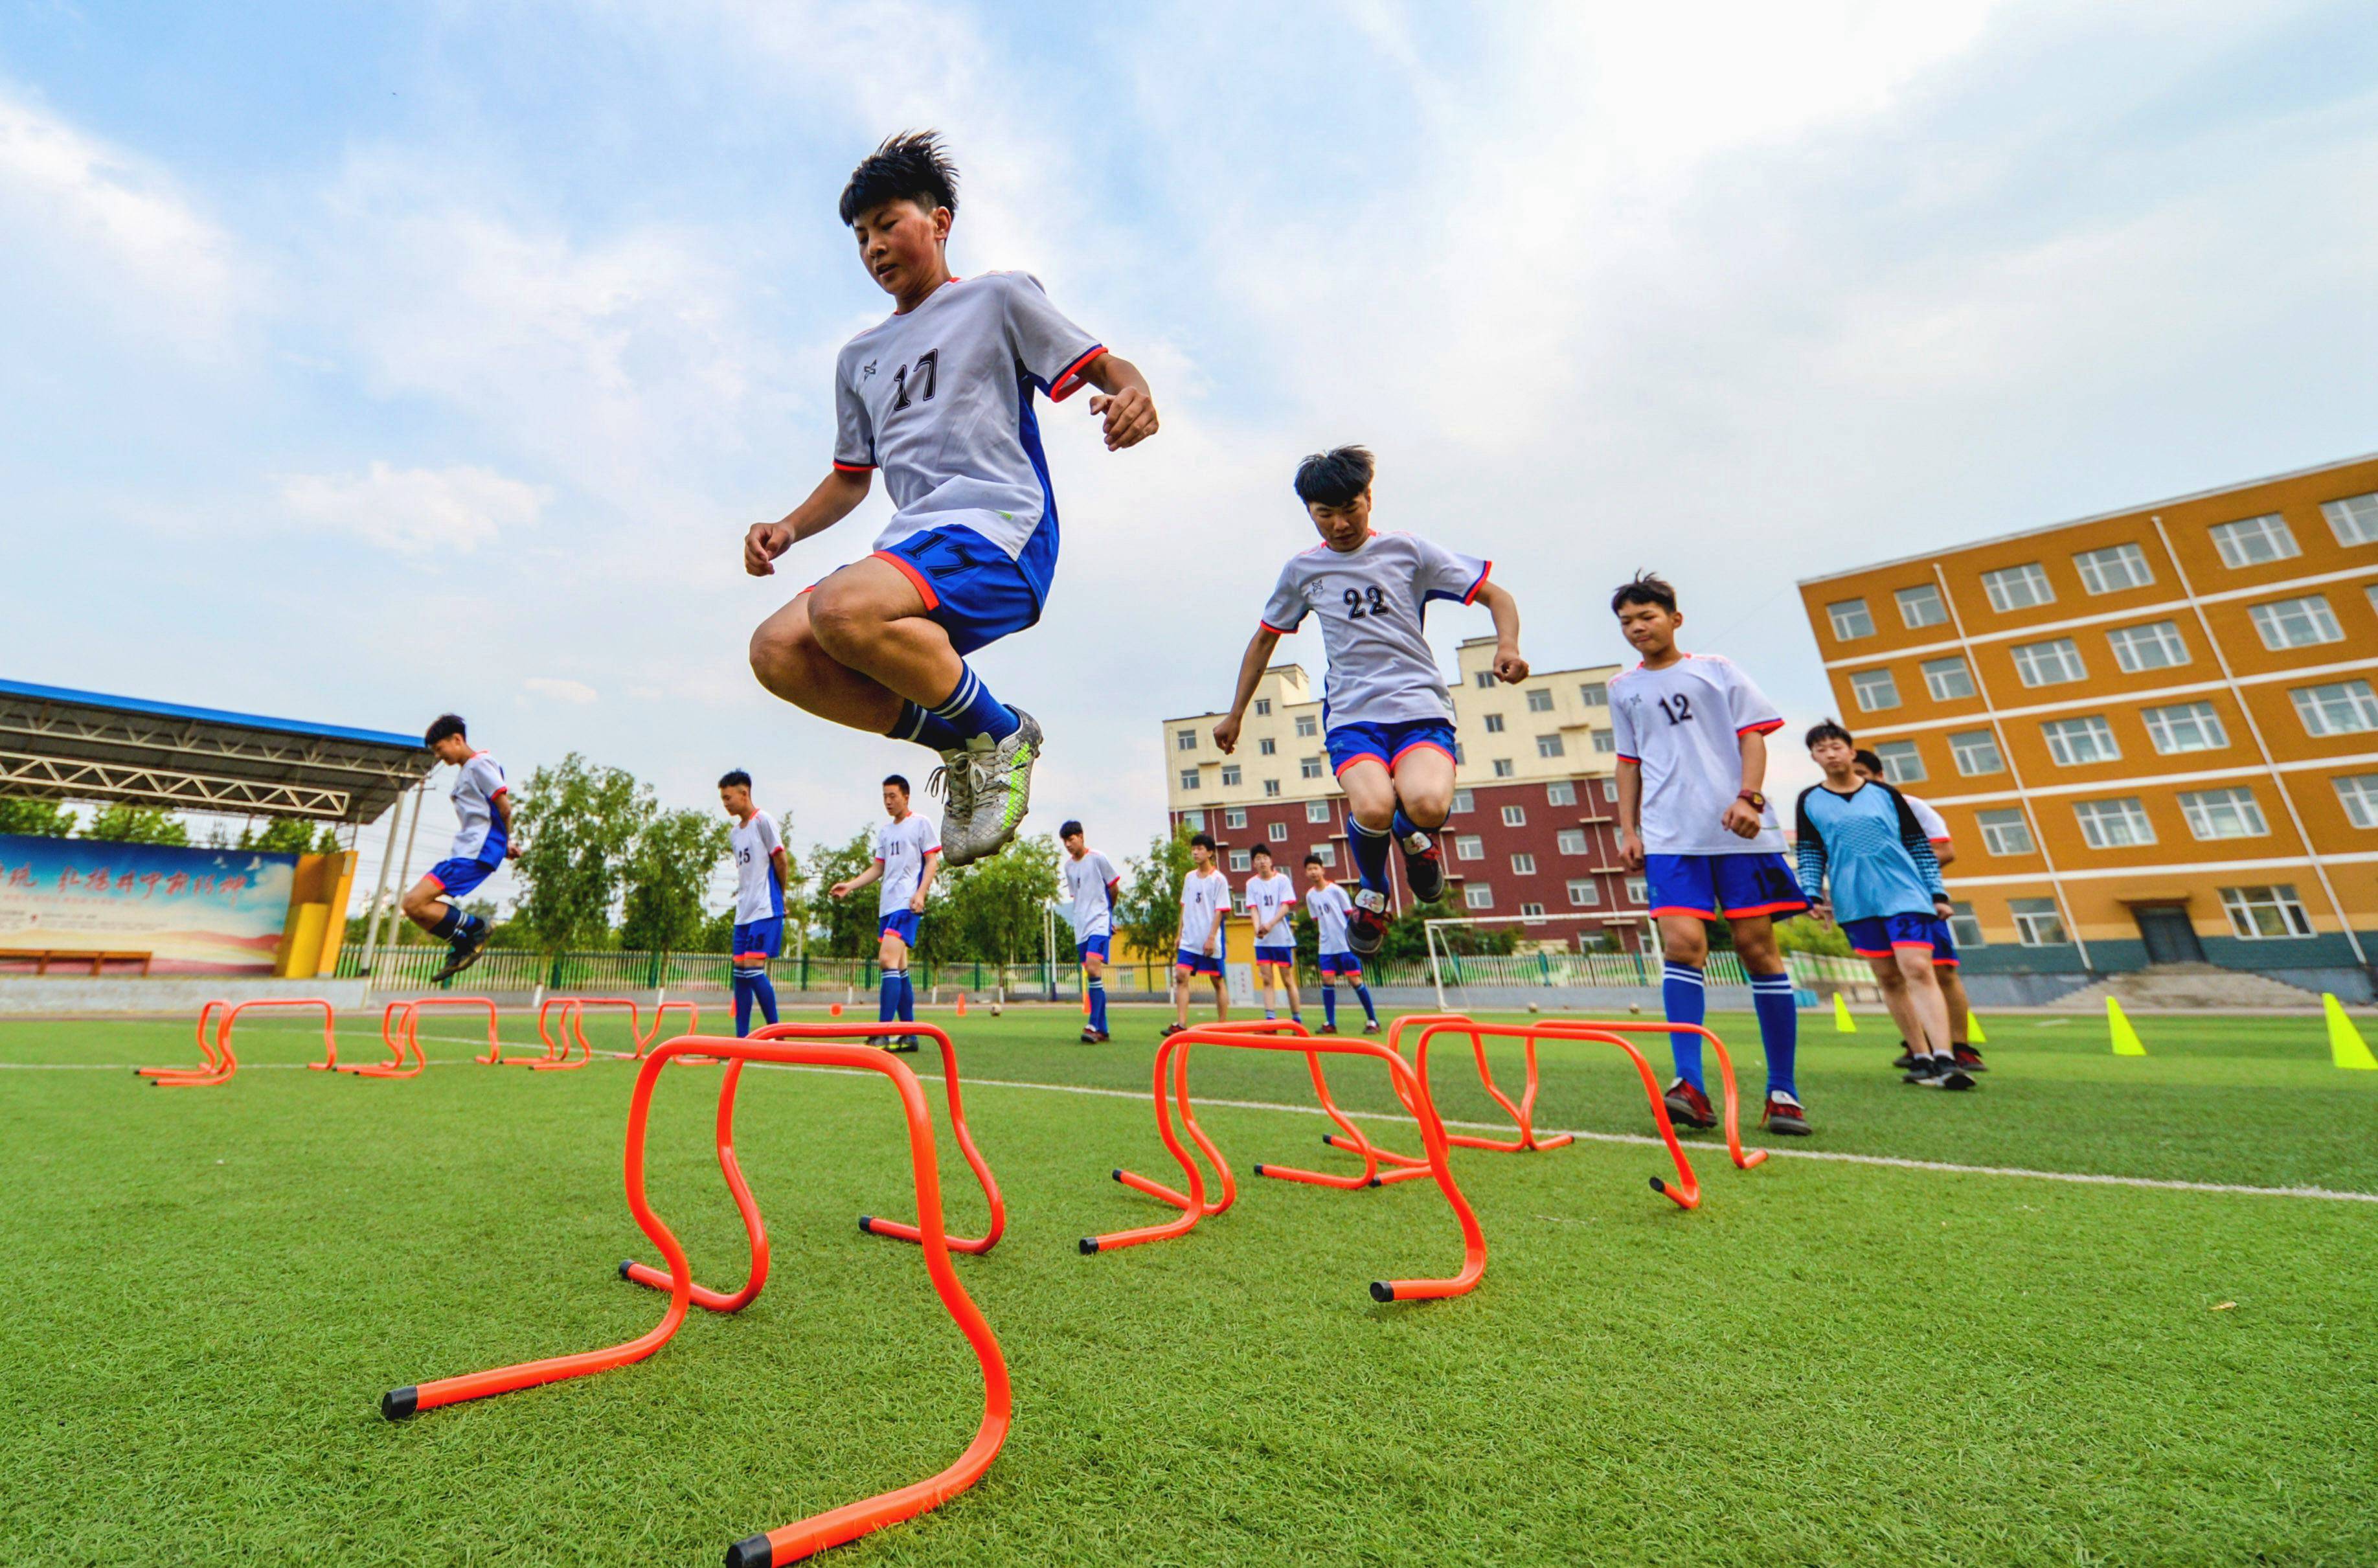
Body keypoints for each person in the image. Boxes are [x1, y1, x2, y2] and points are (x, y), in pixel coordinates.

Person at [743, 131, 1160, 867]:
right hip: (913, 545)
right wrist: (788, 527)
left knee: (840, 608)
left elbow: (1103, 363)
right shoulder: (858, 358)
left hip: (998, 528)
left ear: (939, 223)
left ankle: (995, 735)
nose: (874, 246)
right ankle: (971, 739)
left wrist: (1134, 393)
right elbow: (851, 477)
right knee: (777, 651)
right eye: (861, 235)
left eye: (888, 223)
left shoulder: (997, 298)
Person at [1214, 446, 1527, 957]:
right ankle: (1374, 891)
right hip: (1353, 715)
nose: (1339, 525)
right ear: (1310, 513)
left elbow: (1498, 596)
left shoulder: (1408, 551)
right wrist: (1236, 713)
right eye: (1325, 515)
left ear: (1369, 498)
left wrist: (1507, 646)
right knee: (1373, 804)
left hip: (1419, 708)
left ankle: (1414, 837)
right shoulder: (1303, 571)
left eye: (1350, 510)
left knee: (1425, 804)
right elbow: (1265, 639)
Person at [1608, 574, 1811, 1137]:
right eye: (1626, 621)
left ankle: (1783, 1090)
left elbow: (1753, 735)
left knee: (1757, 949)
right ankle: (1689, 1085)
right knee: (1683, 944)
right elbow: (1629, 762)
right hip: (1671, 836)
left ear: (1675, 617)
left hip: (1739, 832)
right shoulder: (1622, 687)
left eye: (1646, 615)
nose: (1637, 628)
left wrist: (1749, 796)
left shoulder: (1716, 670)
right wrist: (1628, 829)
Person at [1798, 723, 1975, 1089]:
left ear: (1850, 751)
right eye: (1821, 750)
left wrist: (1937, 894)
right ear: (1814, 758)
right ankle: (1921, 1056)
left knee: (1917, 967)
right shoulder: (1809, 801)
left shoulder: (1887, 795)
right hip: (1855, 900)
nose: (1830, 754)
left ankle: (1946, 1057)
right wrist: (1811, 893)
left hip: (1905, 895)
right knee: (1889, 978)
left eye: (1836, 747)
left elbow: (1919, 846)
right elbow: (1811, 851)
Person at [1852, 749, 1985, 1074]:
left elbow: (1945, 850)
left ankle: (1961, 1047)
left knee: (1938, 971)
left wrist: (1899, 873)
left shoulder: (1912, 807)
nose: (1854, 781)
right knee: (1891, 975)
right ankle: (1919, 1048)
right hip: (1871, 905)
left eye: (1862, 774)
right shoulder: (1845, 813)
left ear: (1880, 777)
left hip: (1918, 901)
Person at [401, 714, 520, 983]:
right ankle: (465, 941)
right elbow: (487, 816)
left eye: (439, 749)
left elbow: (505, 807)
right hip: (467, 851)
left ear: (457, 739)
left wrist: (502, 843)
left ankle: (477, 928)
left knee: (414, 903)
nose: (438, 756)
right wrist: (505, 845)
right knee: (413, 906)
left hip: (475, 852)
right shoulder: (467, 771)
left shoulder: (480, 764)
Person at [830, 775, 940, 1051]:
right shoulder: (885, 832)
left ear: (906, 796)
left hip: (907, 903)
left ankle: (881, 1032)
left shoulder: (921, 824)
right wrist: (851, 886)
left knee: (886, 961)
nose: (888, 802)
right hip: (888, 905)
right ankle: (909, 1035)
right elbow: (878, 868)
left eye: (893, 796)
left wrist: (921, 893)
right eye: (885, 797)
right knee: (900, 968)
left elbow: (932, 862)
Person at [719, 770, 790, 1038]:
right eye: (722, 799)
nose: (725, 803)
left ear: (744, 793)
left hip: (765, 907)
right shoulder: (735, 834)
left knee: (752, 968)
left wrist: (780, 897)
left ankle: (777, 1031)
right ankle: (741, 1039)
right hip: (744, 912)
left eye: (728, 797)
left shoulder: (764, 821)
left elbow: (781, 860)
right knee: (739, 974)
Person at [1302, 854, 1379, 1034]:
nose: (1313, 872)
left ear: (1323, 870)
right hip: (1326, 946)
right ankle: (1330, 1023)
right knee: (1327, 980)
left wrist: (1357, 938)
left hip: (1345, 944)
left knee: (1354, 980)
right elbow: (1316, 919)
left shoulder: (1336, 891)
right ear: (1306, 873)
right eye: (1309, 869)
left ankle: (1373, 1021)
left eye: (1316, 868)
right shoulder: (1310, 896)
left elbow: (1351, 915)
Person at [1059, 819, 1120, 1043]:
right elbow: (1078, 897)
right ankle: (1102, 1029)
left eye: (1071, 839)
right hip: (1081, 926)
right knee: (1092, 975)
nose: (1068, 844)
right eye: (1065, 841)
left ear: (1081, 837)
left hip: (1099, 922)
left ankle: (1093, 1024)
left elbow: (1114, 887)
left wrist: (1108, 915)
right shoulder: (1068, 867)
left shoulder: (1098, 859)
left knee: (1094, 969)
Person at [1166, 832, 1231, 1037]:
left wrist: (1212, 937)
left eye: (1200, 849)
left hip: (1208, 940)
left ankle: (1222, 1025)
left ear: (1210, 852)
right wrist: (1179, 934)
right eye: (1193, 849)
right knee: (1181, 976)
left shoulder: (1218, 880)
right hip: (1189, 940)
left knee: (1217, 980)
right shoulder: (1189, 877)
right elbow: (1184, 907)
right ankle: (1181, 1024)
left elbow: (1220, 910)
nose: (1195, 852)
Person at [1243, 845, 1302, 1025]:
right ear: (1254, 863)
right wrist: (1257, 927)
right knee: (1267, 980)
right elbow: (1253, 908)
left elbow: (1286, 906)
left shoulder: (1282, 880)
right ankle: (1270, 1021)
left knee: (1287, 979)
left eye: (1264, 858)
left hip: (1281, 939)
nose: (1262, 862)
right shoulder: (1251, 884)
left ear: (1271, 860)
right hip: (1262, 941)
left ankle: (1296, 1019)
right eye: (1258, 859)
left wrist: (1270, 924)